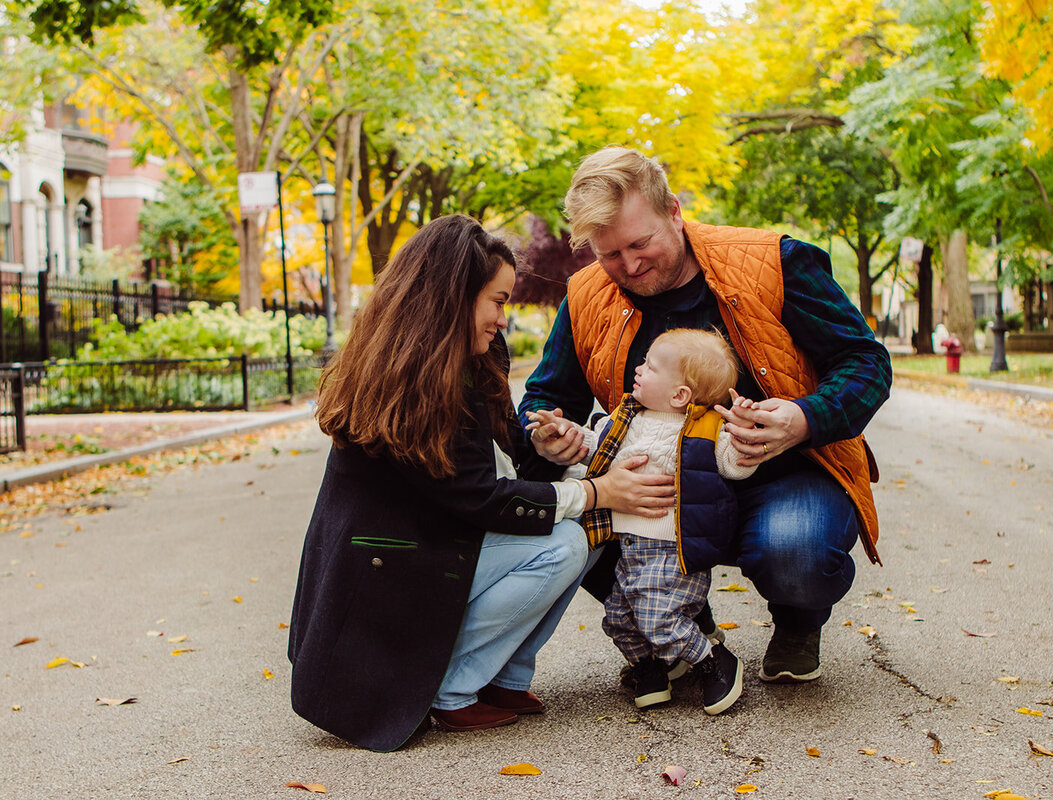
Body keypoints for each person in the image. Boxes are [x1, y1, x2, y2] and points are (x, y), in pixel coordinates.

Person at [288, 214, 673, 751]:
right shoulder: (407, 377)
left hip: (435, 540)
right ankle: (452, 688)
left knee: (586, 528)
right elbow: (476, 498)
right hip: (389, 573)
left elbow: (499, 457)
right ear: (451, 295)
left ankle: (503, 677)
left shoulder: (472, 355)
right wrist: (594, 491)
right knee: (566, 541)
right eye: (496, 301)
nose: (501, 319)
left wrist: (545, 446)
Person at [519, 146, 891, 686]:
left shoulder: (773, 262)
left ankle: (798, 617)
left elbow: (865, 361)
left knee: (795, 550)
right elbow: (545, 399)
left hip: (783, 473)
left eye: (640, 243)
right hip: (657, 492)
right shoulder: (585, 295)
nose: (628, 265)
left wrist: (804, 417)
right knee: (564, 504)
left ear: (673, 210)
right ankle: (681, 624)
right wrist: (546, 434)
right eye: (609, 254)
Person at [527, 329, 757, 715]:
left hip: (673, 551)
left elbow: (733, 466)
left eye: (649, 366)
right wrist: (565, 432)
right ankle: (650, 668)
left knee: (658, 615)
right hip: (629, 548)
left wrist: (744, 432)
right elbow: (592, 446)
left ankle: (713, 661)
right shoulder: (624, 419)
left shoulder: (702, 429)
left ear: (680, 395)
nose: (638, 369)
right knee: (619, 617)